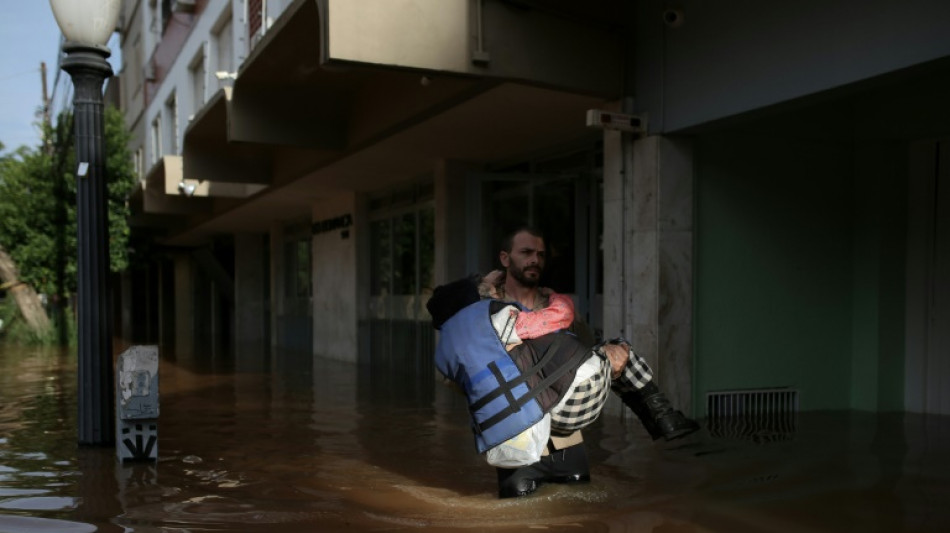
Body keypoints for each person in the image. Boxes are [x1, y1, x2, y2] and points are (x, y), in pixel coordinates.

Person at [426, 226, 699, 498]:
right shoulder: (484, 313)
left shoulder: (555, 304)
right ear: (505, 259)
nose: (535, 259)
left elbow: (584, 353)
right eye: (526, 252)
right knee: (518, 519)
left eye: (541, 254)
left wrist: (610, 358)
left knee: (578, 513)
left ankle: (666, 424)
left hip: (567, 443)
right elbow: (457, 375)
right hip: (521, 442)